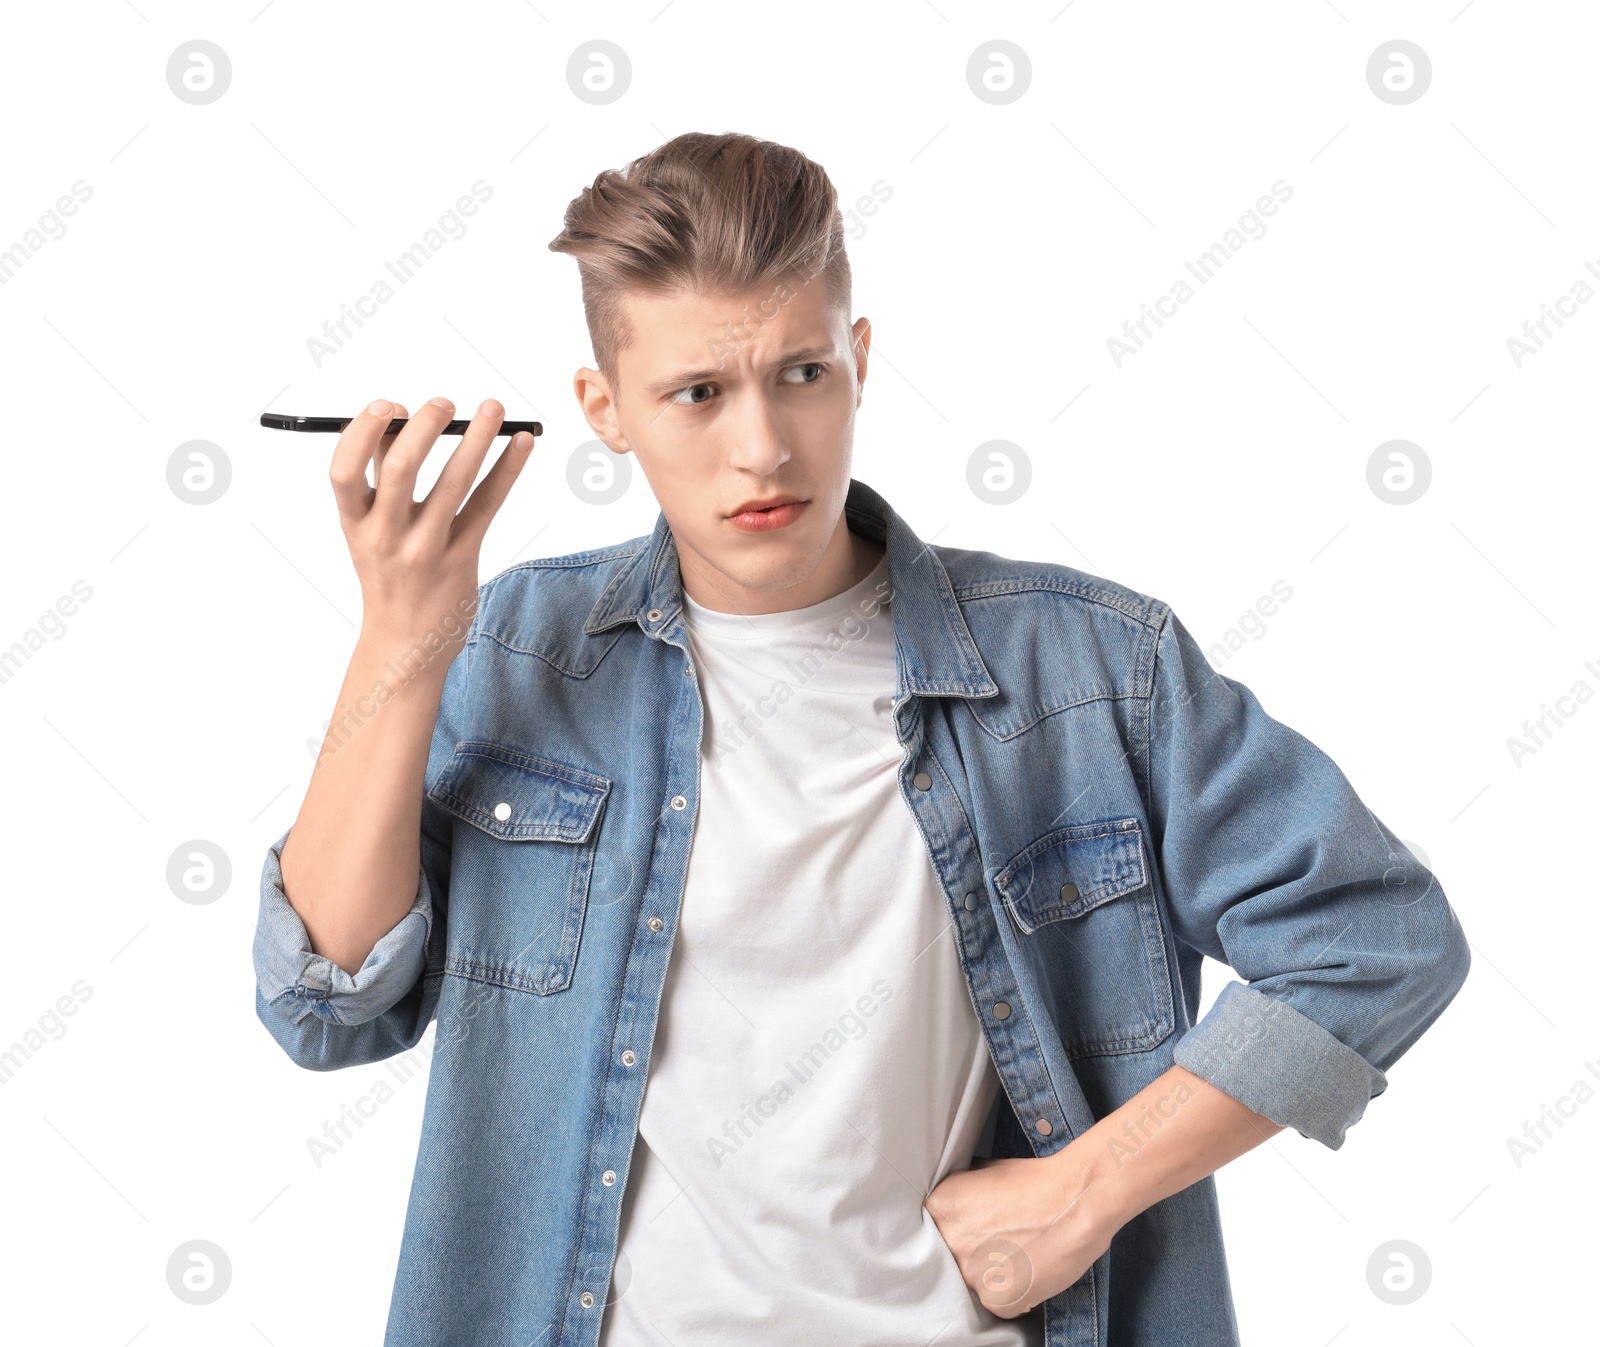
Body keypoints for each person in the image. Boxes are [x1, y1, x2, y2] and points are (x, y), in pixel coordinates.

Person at [252, 131, 1471, 1347]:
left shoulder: (1088, 671)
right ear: (602, 408)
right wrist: (403, 641)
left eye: (801, 375)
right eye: (697, 394)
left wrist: (1086, 1190)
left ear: (860, 359)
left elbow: (1374, 939)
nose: (763, 449)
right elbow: (327, 1004)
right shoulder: (524, 646)